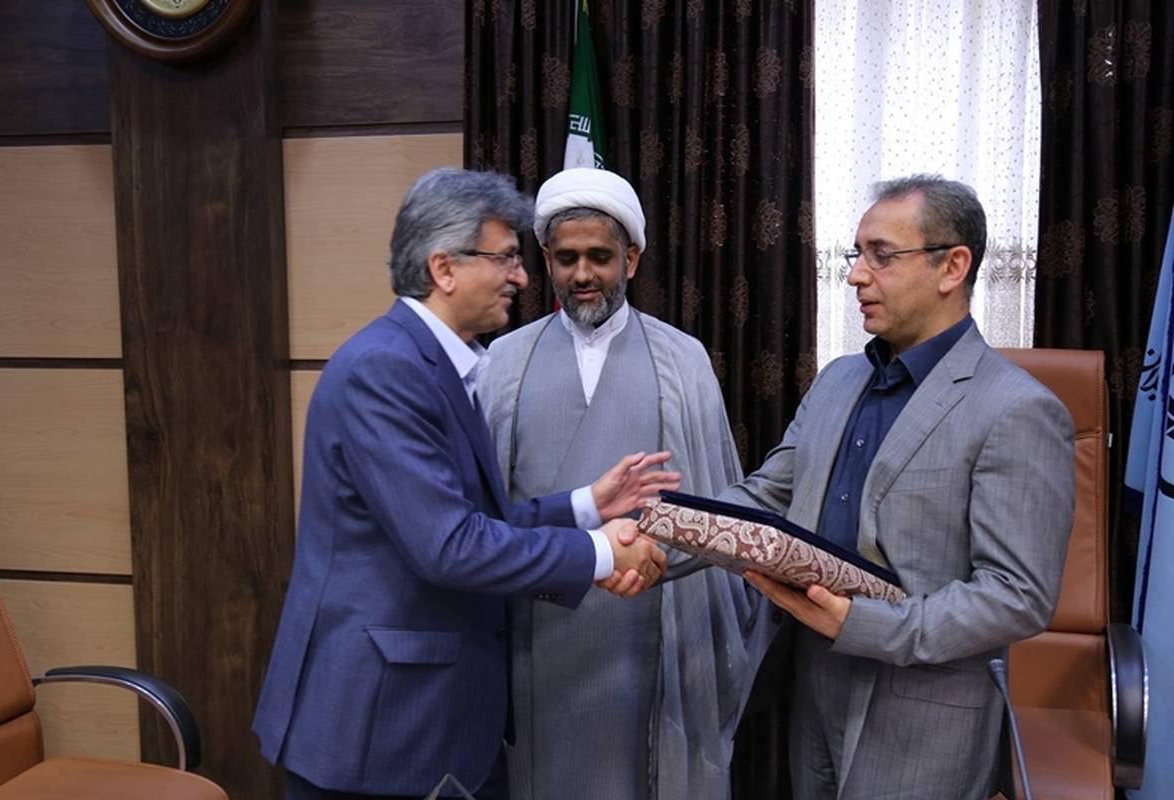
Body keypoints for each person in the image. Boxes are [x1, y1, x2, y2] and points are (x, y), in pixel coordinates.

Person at [251, 168, 679, 800]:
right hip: (381, 728)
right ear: (444, 268)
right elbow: (449, 546)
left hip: (436, 721)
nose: (522, 277)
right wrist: (602, 552)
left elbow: (473, 521)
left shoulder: (437, 364)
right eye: (504, 258)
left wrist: (587, 505)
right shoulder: (385, 371)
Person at [723, 175, 1076, 799]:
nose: (856, 276)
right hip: (810, 687)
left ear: (952, 267)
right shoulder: (837, 381)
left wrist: (866, 625)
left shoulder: (1017, 409)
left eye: (881, 255)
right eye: (856, 254)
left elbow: (1017, 596)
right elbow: (765, 498)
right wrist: (648, 530)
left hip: (925, 719)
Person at [478, 167, 773, 800]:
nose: (582, 274)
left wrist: (656, 556)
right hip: (536, 636)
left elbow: (718, 508)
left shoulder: (683, 360)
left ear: (631, 259)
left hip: (651, 629)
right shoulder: (503, 362)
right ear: (546, 261)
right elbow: (483, 517)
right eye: (566, 258)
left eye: (600, 257)